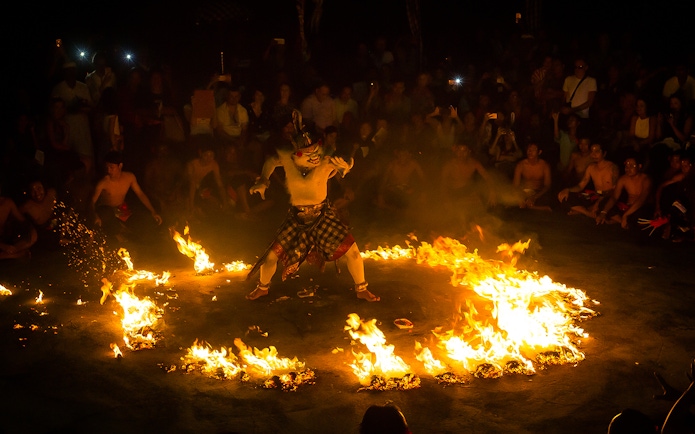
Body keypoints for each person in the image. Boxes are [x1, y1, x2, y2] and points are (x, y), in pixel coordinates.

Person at [246, 111, 379, 302]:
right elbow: (270, 161)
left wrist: (347, 167)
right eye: (308, 154)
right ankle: (262, 287)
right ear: (296, 154)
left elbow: (346, 162)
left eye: (316, 151)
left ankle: (362, 288)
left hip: (322, 216)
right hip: (296, 217)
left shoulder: (325, 162)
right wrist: (264, 180)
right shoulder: (288, 161)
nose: (314, 157)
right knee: (270, 257)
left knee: (353, 252)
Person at [90, 151, 162, 241]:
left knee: (144, 223)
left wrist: (153, 211)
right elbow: (92, 201)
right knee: (107, 215)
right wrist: (94, 215)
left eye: (111, 167)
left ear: (120, 166)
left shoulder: (129, 177)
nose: (108, 170)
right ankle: (116, 234)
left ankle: (130, 234)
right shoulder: (103, 183)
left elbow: (140, 194)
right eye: (107, 167)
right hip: (106, 211)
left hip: (121, 210)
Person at [558, 143, 619, 218]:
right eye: (592, 152)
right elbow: (581, 186)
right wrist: (567, 190)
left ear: (604, 153)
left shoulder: (612, 168)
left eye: (597, 151)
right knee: (564, 197)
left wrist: (599, 201)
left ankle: (583, 210)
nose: (593, 155)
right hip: (595, 196)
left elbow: (615, 191)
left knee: (607, 204)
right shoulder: (591, 167)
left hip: (607, 197)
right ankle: (587, 212)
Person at [596, 156, 652, 229]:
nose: (628, 168)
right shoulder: (623, 179)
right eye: (626, 165)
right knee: (604, 203)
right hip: (626, 207)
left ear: (639, 166)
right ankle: (622, 221)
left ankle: (621, 220)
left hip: (640, 208)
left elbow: (642, 200)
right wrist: (604, 212)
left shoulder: (646, 179)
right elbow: (614, 197)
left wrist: (626, 215)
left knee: (641, 217)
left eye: (632, 166)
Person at [185, 139, 229, 219]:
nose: (208, 159)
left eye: (211, 156)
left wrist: (225, 203)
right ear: (200, 153)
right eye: (206, 155)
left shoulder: (214, 165)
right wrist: (191, 206)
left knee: (213, 201)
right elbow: (191, 183)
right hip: (188, 189)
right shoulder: (192, 165)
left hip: (203, 189)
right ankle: (192, 211)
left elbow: (219, 184)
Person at [513, 143, 553, 211]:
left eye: (533, 149)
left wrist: (534, 197)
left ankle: (532, 206)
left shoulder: (544, 165)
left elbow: (547, 185)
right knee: (512, 199)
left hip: (538, 193)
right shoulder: (521, 165)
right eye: (528, 149)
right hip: (524, 192)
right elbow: (515, 185)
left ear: (539, 152)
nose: (530, 151)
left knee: (550, 198)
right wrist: (520, 197)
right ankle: (533, 206)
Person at [20, 180, 60, 248]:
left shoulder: (51, 194)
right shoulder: (27, 207)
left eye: (39, 188)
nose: (37, 193)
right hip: (43, 234)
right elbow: (16, 218)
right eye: (33, 190)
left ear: (44, 188)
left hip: (57, 224)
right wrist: (30, 228)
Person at [0, 191, 37, 259]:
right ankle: (15, 255)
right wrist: (3, 246)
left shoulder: (7, 202)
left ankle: (12, 253)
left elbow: (23, 221)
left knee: (32, 236)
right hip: (2, 245)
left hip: (6, 239)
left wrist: (31, 231)